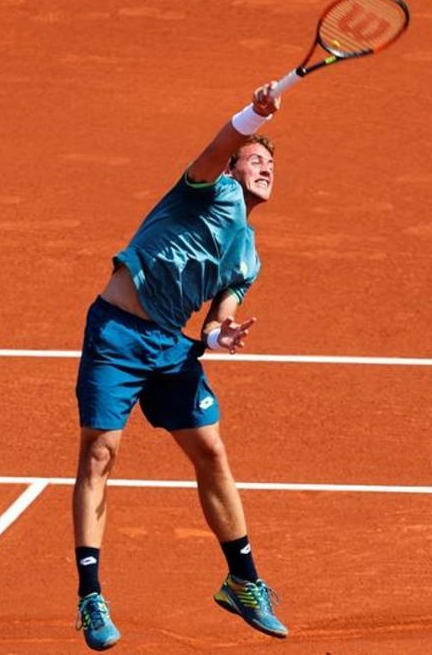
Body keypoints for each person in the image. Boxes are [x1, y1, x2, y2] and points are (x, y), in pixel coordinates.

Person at [71, 81, 287, 651]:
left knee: (211, 451)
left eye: (271, 162)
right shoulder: (205, 190)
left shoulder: (249, 255)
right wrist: (251, 114)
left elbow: (218, 318)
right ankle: (91, 597)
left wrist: (219, 337)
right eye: (256, 159)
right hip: (117, 333)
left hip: (170, 346)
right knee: (100, 452)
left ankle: (242, 580)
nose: (265, 167)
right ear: (233, 169)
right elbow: (220, 144)